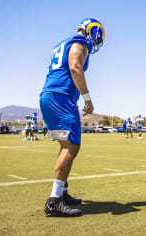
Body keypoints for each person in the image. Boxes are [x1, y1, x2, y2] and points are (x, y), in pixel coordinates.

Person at [40, 18, 105, 217]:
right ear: (93, 32)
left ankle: (63, 191)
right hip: (61, 96)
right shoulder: (81, 42)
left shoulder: (63, 43)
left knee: (65, 145)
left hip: (49, 95)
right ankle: (54, 200)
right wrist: (87, 99)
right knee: (71, 146)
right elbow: (75, 67)